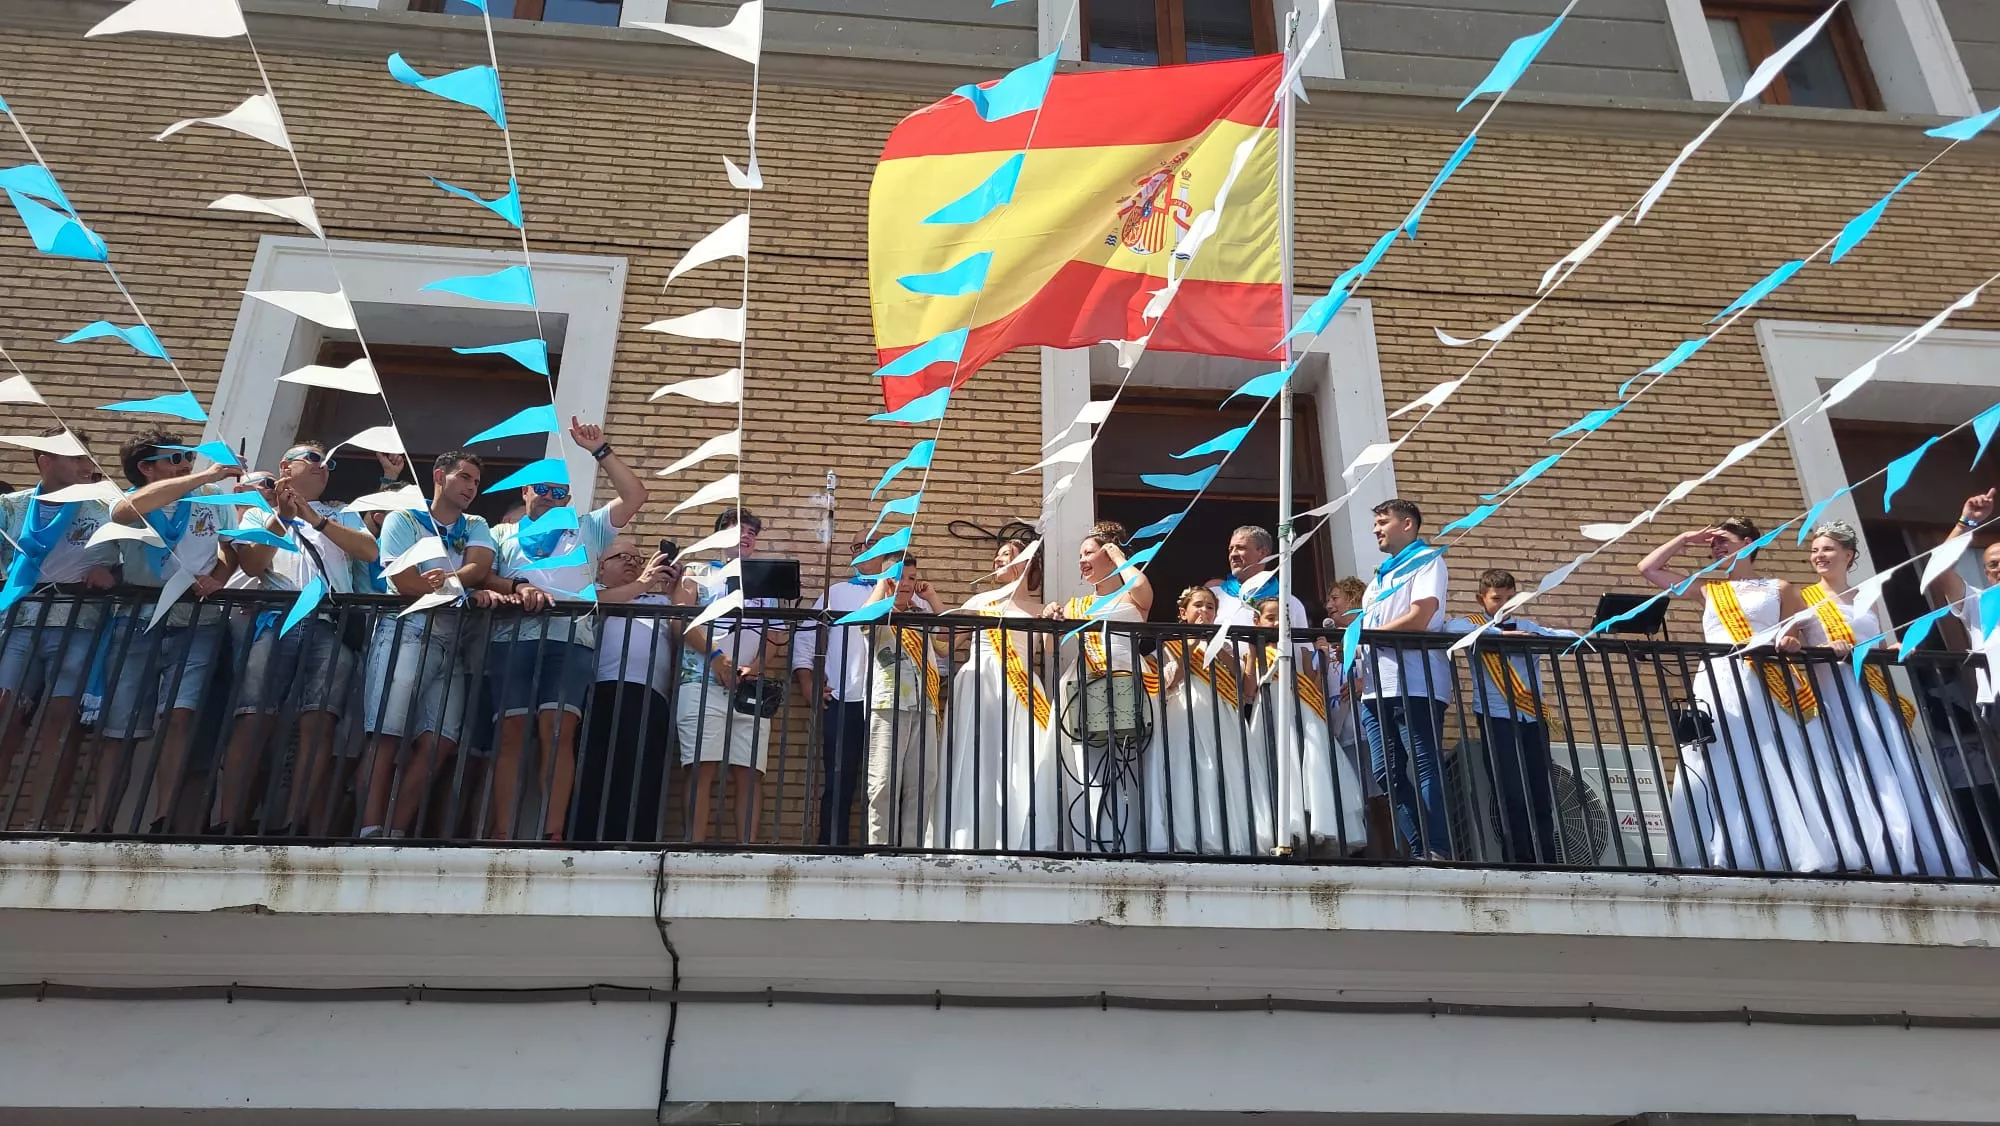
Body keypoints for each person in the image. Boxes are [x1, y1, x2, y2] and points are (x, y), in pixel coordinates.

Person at [1640, 517, 1840, 873]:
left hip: (1763, 679)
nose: (1716, 547)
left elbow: (1799, 634)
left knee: (1769, 753)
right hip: (1717, 679)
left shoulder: (1779, 587)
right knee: (1717, 755)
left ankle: (1780, 846)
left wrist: (1791, 641)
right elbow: (1649, 568)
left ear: (1748, 542)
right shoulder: (1708, 589)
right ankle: (1723, 845)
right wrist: (1687, 536)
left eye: (1723, 539)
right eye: (1712, 542)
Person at [481, 418, 648, 841]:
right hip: (511, 637)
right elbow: (482, 576)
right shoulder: (500, 532)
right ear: (525, 491)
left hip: (570, 639)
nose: (552, 498)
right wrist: (517, 587)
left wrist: (600, 450)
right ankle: (502, 832)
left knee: (557, 732)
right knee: (512, 734)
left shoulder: (587, 527)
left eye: (560, 492)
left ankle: (553, 833)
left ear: (569, 497)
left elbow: (636, 495)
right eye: (543, 489)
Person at [213, 441, 380, 835]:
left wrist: (316, 519)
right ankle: (227, 822)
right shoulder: (257, 510)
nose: (325, 467)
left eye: (329, 462)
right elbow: (253, 563)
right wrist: (281, 518)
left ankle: (295, 823)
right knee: (253, 717)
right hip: (277, 619)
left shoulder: (342, 514)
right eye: (315, 459)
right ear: (286, 466)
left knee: (319, 722)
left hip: (329, 622)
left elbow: (369, 552)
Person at [1798, 520, 1977, 876]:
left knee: (1888, 767)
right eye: (1815, 550)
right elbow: (1795, 649)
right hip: (1830, 694)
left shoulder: (1868, 595)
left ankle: (1904, 850)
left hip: (1870, 692)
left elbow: (1876, 645)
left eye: (1828, 549)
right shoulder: (1804, 598)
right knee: (1844, 768)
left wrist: (1893, 648)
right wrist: (1821, 648)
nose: (1819, 555)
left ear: (1848, 555)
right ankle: (1864, 850)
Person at [95, 431, 245, 834]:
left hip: (198, 622)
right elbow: (126, 511)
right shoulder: (129, 498)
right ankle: (99, 823)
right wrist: (204, 476)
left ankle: (164, 817)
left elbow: (231, 548)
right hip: (138, 621)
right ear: (147, 468)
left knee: (180, 716)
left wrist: (218, 576)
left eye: (187, 457)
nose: (185, 464)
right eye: (175, 458)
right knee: (119, 727)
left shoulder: (214, 500)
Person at [358, 449, 499, 839]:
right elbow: (403, 582)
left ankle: (396, 831)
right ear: (440, 476)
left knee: (441, 741)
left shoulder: (476, 522)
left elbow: (480, 567)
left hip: (452, 638)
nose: (472, 486)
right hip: (407, 629)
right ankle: (370, 830)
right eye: (465, 477)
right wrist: (454, 584)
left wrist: (446, 582)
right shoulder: (404, 517)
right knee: (386, 734)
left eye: (476, 480)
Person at [0, 427, 119, 828]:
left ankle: (40, 825)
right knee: (5, 714)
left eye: (88, 458)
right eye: (77, 458)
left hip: (80, 625)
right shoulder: (11, 506)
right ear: (45, 461)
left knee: (61, 720)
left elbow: (139, 557)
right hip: (17, 623)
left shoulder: (106, 507)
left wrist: (112, 572)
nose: (88, 466)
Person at [794, 534, 935, 845]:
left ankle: (896, 854)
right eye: (857, 546)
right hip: (846, 699)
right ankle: (832, 854)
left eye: (871, 546)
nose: (863, 552)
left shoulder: (911, 598)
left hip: (894, 704)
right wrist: (809, 684)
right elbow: (805, 640)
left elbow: (937, 648)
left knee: (895, 782)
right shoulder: (837, 593)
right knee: (839, 782)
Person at [1442, 569, 1576, 864]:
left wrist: (1595, 631)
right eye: (1497, 598)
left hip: (1532, 720)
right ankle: (1519, 860)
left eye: (1510, 597)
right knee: (1510, 794)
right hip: (1497, 719)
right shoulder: (1474, 626)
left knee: (1541, 793)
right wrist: (1502, 635)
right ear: (1482, 599)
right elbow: (1450, 628)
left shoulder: (1529, 626)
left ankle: (1547, 860)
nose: (1505, 604)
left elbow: (1561, 637)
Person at [939, 533, 1058, 850]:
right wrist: (936, 605)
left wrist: (1052, 623)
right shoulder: (981, 602)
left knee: (1023, 761)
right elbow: (945, 646)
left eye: (1005, 555)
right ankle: (973, 838)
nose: (996, 560)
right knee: (979, 759)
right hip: (980, 680)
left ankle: (1019, 839)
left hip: (1020, 690)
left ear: (1024, 563)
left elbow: (1049, 654)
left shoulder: (1040, 608)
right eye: (998, 555)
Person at [1047, 521, 1158, 852]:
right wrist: (1050, 617)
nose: (1081, 560)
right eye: (1079, 554)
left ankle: (1135, 845)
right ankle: (1092, 845)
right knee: (1089, 771)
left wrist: (1119, 555)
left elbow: (1143, 590)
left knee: (1134, 769)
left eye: (1089, 552)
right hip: (1087, 685)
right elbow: (1050, 649)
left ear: (1110, 555)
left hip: (1130, 682)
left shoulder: (1132, 594)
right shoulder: (1075, 605)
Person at [676, 506, 784, 843]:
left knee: (750, 773)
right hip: (700, 682)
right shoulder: (696, 571)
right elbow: (680, 619)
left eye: (752, 532)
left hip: (749, 689)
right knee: (700, 769)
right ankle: (691, 851)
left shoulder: (766, 583)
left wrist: (757, 667)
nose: (747, 536)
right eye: (740, 529)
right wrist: (718, 658)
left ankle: (746, 852)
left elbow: (776, 637)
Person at [1357, 498, 1455, 859]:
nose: (1375, 529)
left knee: (1425, 762)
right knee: (1386, 773)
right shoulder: (1378, 579)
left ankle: (1438, 848)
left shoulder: (1426, 561)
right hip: (1374, 688)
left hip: (1414, 682)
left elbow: (1420, 616)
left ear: (1408, 524)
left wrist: (1368, 637)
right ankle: (1421, 846)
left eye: (1383, 521)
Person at [1247, 597, 1368, 856]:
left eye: (1285, 618)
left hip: (1302, 711)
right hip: (1271, 711)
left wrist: (1322, 658)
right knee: (1277, 767)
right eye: (1271, 617)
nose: (1279, 622)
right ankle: (1283, 833)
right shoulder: (1255, 650)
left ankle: (1312, 833)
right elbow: (1248, 689)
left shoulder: (1300, 650)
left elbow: (1312, 685)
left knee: (1309, 768)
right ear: (1256, 622)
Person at [581, 537, 682, 842]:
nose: (633, 563)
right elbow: (599, 606)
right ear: (601, 567)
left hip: (651, 697)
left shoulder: (661, 603)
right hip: (603, 690)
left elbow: (682, 639)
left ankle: (635, 843)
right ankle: (585, 841)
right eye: (623, 557)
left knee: (642, 773)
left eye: (638, 560)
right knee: (596, 768)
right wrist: (643, 581)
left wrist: (675, 591)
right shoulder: (594, 594)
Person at [1154, 587, 1255, 853]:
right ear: (1183, 612)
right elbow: (1165, 683)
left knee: (1222, 772)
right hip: (1183, 714)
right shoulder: (1169, 644)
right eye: (1198, 605)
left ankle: (1225, 838)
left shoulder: (1225, 644)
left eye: (1210, 607)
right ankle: (1189, 839)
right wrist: (1192, 647)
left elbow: (1245, 689)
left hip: (1221, 715)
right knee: (1188, 772)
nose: (1205, 611)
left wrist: (1216, 649)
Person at [862, 554, 946, 846]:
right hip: (888, 705)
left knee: (921, 784)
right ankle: (879, 850)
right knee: (883, 782)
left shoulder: (920, 616)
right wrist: (881, 588)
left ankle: (912, 853)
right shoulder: (880, 613)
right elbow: (864, 619)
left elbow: (947, 643)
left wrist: (933, 598)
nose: (906, 584)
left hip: (925, 706)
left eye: (912, 578)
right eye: (899, 577)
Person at [1206, 525, 1309, 629]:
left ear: (1262, 553)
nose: (1233, 555)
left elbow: (1302, 645)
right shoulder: (1213, 597)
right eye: (1230, 549)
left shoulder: (1290, 602)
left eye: (1240, 548)